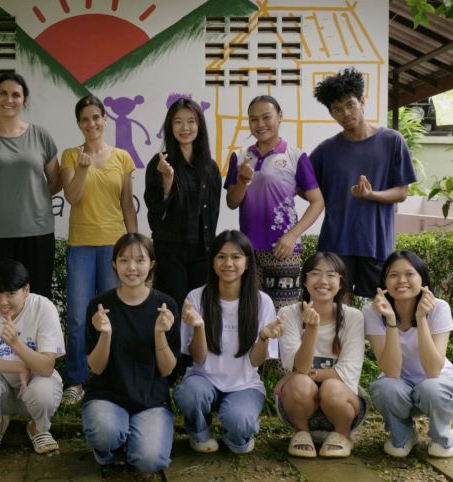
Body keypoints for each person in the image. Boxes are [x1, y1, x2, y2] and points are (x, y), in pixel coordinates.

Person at [310, 67, 416, 299]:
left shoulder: (392, 141)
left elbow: (401, 192)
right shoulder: (326, 151)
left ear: (362, 101)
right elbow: (304, 185)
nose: (345, 113)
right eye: (337, 109)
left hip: (376, 243)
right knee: (338, 311)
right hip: (336, 242)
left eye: (350, 104)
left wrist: (371, 195)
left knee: (377, 311)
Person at [59, 94, 137, 406]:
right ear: (79, 124)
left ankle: (111, 377)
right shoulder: (69, 155)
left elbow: (127, 203)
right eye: (85, 119)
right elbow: (72, 197)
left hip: (114, 245)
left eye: (96, 117)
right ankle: (77, 380)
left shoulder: (122, 157)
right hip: (80, 245)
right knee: (79, 316)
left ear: (105, 120)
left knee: (113, 315)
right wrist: (80, 167)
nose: (91, 123)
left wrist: (134, 244)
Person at [173, 230, 281, 454]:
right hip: (203, 379)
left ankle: (237, 434)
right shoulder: (196, 298)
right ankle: (199, 431)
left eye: (236, 257)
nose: (228, 263)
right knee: (189, 394)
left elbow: (254, 362)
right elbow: (198, 357)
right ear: (212, 263)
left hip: (244, 384)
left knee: (239, 427)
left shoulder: (263, 302)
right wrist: (199, 327)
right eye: (221, 256)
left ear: (247, 263)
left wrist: (263, 337)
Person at [82, 233, 180, 474]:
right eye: (124, 260)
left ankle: (133, 439)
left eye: (140, 260)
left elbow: (167, 370)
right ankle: (109, 450)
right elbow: (96, 367)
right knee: (105, 434)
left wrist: (159, 333)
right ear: (114, 264)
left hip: (150, 401)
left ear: (151, 265)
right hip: (107, 395)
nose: (132, 267)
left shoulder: (166, 306)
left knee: (150, 461)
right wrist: (105, 334)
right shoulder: (100, 306)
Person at [0, 72, 61, 299]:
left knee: (37, 301)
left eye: (16, 95)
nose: (9, 99)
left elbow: (55, 182)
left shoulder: (41, 135)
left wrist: (30, 199)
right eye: (3, 94)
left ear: (24, 100)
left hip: (37, 234)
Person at [225, 95, 324, 309]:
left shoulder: (295, 156)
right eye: (253, 119)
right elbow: (232, 202)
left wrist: (292, 236)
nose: (260, 124)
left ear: (279, 117)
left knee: (283, 316)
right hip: (247, 250)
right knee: (251, 314)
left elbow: (317, 202)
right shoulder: (240, 156)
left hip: (283, 250)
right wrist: (242, 180)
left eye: (266, 117)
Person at [364, 251, 453, 458]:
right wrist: (390, 320)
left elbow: (433, 370)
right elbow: (391, 371)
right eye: (393, 275)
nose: (401, 281)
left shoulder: (439, 308)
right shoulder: (373, 311)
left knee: (431, 388)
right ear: (384, 282)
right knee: (385, 387)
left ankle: (442, 437)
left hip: (438, 383)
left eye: (410, 274)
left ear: (422, 280)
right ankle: (403, 435)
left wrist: (422, 318)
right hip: (399, 384)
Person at [0, 260, 65, 455]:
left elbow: (46, 367)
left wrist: (16, 344)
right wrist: (20, 367)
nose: (3, 302)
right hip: (1, 390)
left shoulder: (43, 307)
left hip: (34, 388)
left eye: (11, 293)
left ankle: (38, 427)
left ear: (26, 290)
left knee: (45, 389)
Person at [275, 252, 367, 459]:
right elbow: (296, 366)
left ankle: (342, 434)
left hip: (342, 407)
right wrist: (312, 330)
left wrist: (298, 373)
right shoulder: (288, 314)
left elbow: (346, 372)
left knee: (330, 387)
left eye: (331, 275)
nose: (323, 281)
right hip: (298, 407)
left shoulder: (353, 317)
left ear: (341, 283)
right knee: (299, 383)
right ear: (305, 281)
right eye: (315, 273)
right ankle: (301, 432)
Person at [143, 98, 221, 308]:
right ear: (170, 126)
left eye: (191, 121)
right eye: (178, 122)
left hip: (202, 252)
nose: (185, 128)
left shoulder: (210, 167)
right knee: (172, 309)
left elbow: (213, 214)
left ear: (199, 126)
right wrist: (167, 182)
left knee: (200, 312)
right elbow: (155, 212)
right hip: (170, 252)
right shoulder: (160, 163)